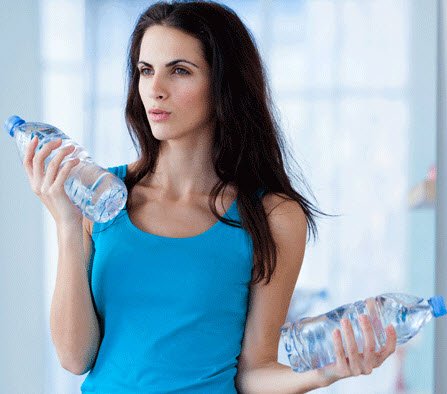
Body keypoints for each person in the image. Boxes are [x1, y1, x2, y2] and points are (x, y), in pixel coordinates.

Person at [25, 1, 397, 392]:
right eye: (145, 71)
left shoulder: (273, 217)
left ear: (224, 84)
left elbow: (253, 372)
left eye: (180, 71)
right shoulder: (101, 195)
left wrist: (328, 371)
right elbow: (74, 357)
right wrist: (67, 224)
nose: (156, 90)